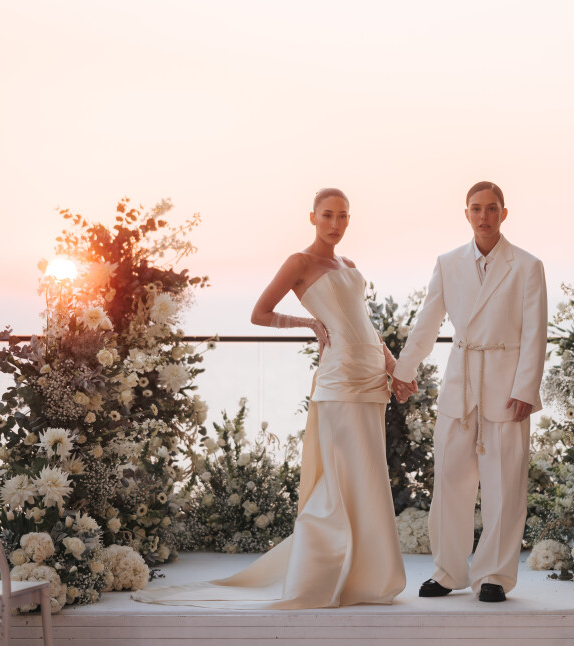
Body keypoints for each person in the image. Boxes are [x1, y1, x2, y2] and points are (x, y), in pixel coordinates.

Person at [133, 188, 406, 609]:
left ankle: (365, 579)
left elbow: (366, 326)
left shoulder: (349, 265)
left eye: (343, 216)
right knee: (337, 479)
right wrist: (308, 323)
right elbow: (259, 313)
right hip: (337, 380)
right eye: (328, 215)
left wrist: (395, 371)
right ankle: (322, 576)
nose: (335, 224)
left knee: (368, 476)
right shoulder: (299, 262)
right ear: (312, 217)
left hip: (371, 378)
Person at [392, 181, 547, 603]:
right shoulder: (448, 263)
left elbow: (535, 334)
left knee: (504, 485)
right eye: (476, 208)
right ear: (466, 214)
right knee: (450, 481)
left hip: (506, 386)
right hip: (460, 385)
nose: (484, 216)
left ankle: (493, 575)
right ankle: (447, 572)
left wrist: (526, 389)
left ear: (503, 213)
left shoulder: (527, 266)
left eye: (492, 208)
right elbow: (427, 323)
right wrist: (402, 371)